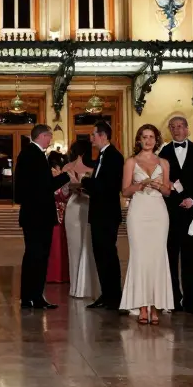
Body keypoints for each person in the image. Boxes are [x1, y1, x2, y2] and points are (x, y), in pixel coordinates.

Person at [119, 124, 174, 324]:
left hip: (159, 211)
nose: (148, 140)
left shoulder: (164, 162)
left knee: (158, 257)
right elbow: (125, 191)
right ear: (139, 140)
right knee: (140, 257)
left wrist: (159, 185)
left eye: (151, 137)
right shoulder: (131, 162)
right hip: (139, 211)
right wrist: (140, 184)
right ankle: (142, 306)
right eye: (144, 137)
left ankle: (156, 305)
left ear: (156, 140)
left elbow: (168, 192)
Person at [13, 124, 70, 309]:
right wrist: (66, 176)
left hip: (33, 214)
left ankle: (30, 297)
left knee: (33, 256)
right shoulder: (34, 155)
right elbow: (45, 186)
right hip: (38, 215)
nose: (51, 140)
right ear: (42, 136)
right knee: (37, 256)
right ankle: (34, 297)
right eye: (49, 136)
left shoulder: (28, 154)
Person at [159, 116, 193, 316]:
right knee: (170, 257)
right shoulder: (164, 152)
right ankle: (174, 299)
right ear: (170, 130)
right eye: (173, 127)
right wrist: (178, 196)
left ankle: (189, 301)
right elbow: (163, 179)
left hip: (192, 212)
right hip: (170, 211)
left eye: (180, 126)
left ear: (187, 129)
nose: (177, 130)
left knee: (190, 259)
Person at [81, 121, 125, 310]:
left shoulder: (114, 157)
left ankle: (113, 296)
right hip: (99, 213)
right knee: (100, 255)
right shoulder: (101, 156)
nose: (91, 138)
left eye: (93, 134)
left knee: (107, 255)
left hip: (107, 214)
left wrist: (84, 181)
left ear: (103, 136)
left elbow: (108, 187)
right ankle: (106, 294)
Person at [61, 145, 98, 299]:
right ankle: (87, 287)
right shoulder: (93, 167)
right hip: (85, 205)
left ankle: (77, 287)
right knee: (85, 246)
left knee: (78, 247)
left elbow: (63, 192)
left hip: (75, 206)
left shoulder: (67, 167)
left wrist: (74, 185)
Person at [46, 151, 70, 283]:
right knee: (54, 244)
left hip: (62, 212)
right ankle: (53, 275)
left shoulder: (62, 179)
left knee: (61, 244)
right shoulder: (50, 179)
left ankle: (62, 274)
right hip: (53, 212)